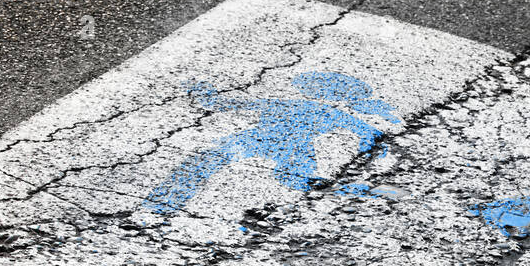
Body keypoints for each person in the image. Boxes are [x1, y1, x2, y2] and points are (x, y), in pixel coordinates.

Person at [147, 71, 400, 212]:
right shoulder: (318, 110)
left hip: (277, 144)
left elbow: (370, 134)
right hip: (270, 142)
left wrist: (368, 151)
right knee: (206, 161)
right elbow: (370, 134)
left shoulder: (329, 113)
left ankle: (160, 207)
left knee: (297, 181)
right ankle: (160, 207)